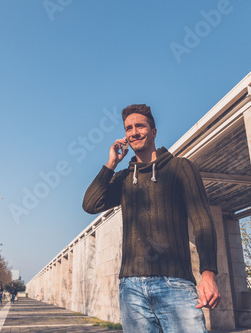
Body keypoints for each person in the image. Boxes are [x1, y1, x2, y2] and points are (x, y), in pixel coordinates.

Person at [82, 104, 221, 333]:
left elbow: (203, 221)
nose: (134, 132)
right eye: (128, 128)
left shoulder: (180, 168)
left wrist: (208, 273)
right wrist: (111, 164)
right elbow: (90, 204)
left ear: (154, 131)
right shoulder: (124, 178)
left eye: (140, 126)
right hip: (131, 288)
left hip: (175, 284)